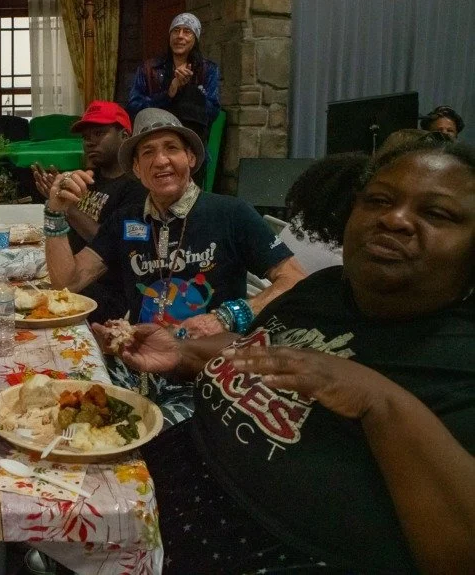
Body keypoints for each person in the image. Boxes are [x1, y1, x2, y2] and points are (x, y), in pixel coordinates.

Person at [96, 139, 475, 574]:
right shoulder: (325, 289)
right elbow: (260, 352)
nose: (395, 218)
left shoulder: (460, 356)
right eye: (379, 200)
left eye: (437, 213)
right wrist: (180, 351)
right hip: (155, 490)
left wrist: (380, 402)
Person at [45, 108, 305, 423]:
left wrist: (230, 315)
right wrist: (55, 213)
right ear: (138, 169)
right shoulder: (127, 220)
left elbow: (294, 280)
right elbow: (67, 282)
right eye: (148, 152)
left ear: (191, 158)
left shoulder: (232, 214)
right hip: (140, 366)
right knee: (65, 408)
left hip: (209, 374)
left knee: (143, 437)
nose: (161, 160)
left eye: (172, 148)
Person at [32, 100, 146, 322]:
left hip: (103, 299)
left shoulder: (136, 188)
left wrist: (69, 209)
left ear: (124, 135)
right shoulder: (91, 179)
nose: (90, 142)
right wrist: (56, 203)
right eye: (86, 137)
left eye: (99, 133)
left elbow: (109, 243)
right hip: (70, 280)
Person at [127, 12, 221, 161]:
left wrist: (190, 90)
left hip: (192, 148)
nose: (180, 36)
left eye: (187, 31)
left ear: (195, 38)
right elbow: (133, 107)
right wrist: (169, 93)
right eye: (176, 31)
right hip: (154, 142)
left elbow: (213, 111)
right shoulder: (149, 68)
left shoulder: (207, 69)